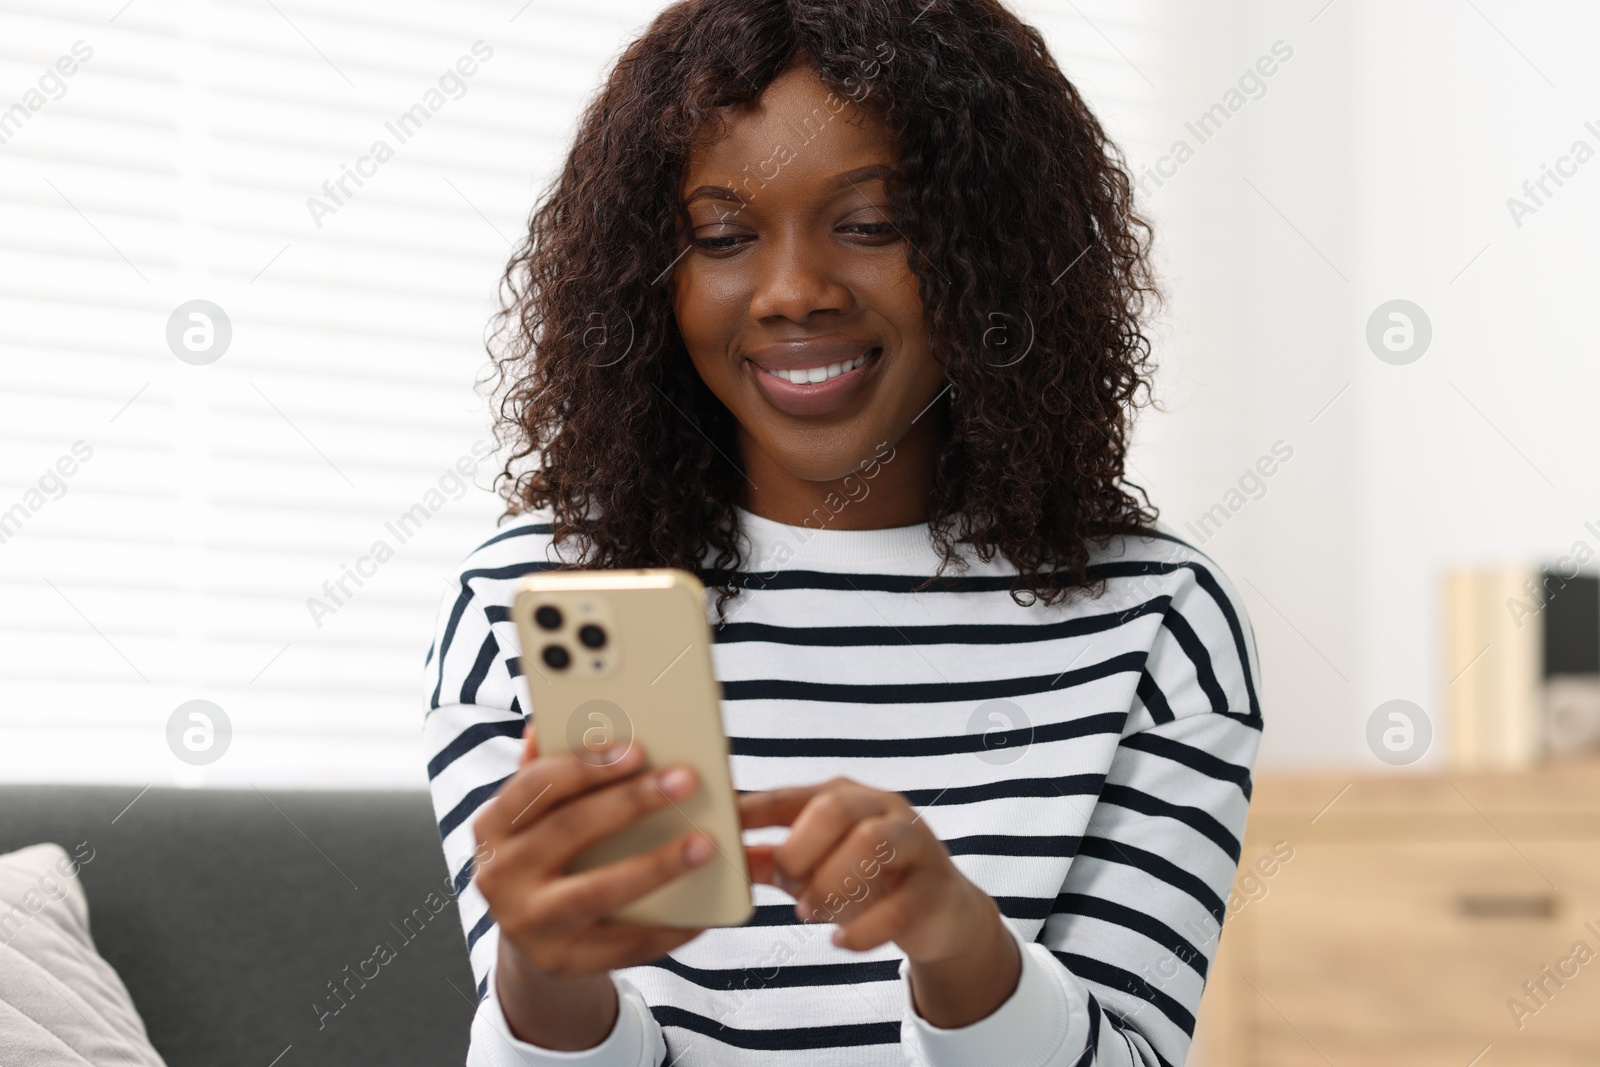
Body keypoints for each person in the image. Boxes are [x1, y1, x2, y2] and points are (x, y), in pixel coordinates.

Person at [423, 1, 1262, 1063]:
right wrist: (542, 973)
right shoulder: (524, 603)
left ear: (992, 247)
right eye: (722, 236)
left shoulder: (1155, 622)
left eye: (870, 224)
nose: (791, 292)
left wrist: (959, 945)